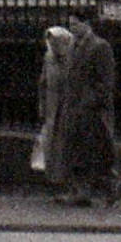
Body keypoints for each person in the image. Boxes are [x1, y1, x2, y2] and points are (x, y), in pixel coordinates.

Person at [60, 7, 119, 207]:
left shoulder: (100, 47)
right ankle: (80, 192)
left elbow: (105, 82)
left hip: (92, 111)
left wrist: (90, 102)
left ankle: (109, 185)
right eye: (70, 25)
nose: (72, 28)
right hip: (74, 107)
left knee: (96, 152)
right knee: (76, 152)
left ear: (87, 24)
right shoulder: (71, 46)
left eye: (75, 24)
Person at [36, 25, 74, 196]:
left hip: (68, 107)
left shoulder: (73, 59)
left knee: (65, 145)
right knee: (51, 144)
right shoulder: (48, 58)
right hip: (52, 108)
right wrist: (42, 106)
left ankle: (66, 182)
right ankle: (54, 180)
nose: (52, 46)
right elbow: (43, 83)